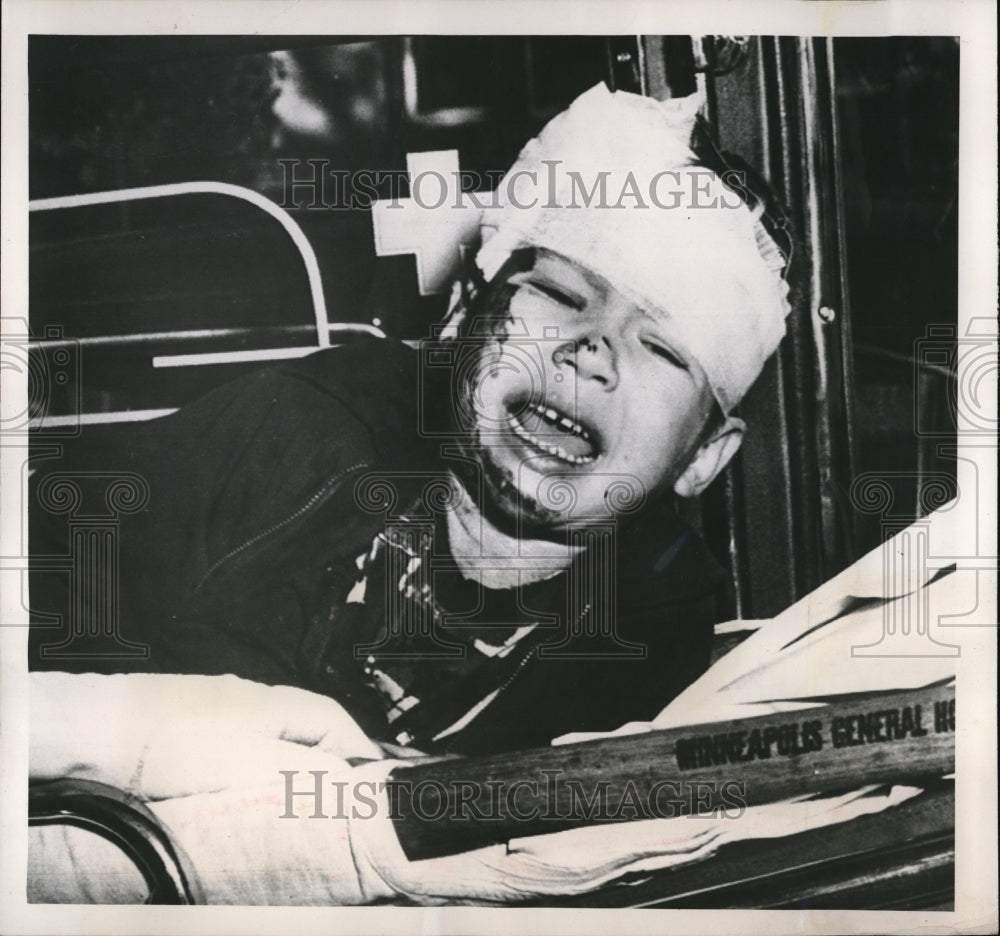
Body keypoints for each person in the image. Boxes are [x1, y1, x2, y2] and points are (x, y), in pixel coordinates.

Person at [29, 82, 791, 756]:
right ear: (461, 317)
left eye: (662, 349)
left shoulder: (659, 614)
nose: (593, 352)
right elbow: (48, 558)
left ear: (705, 457)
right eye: (561, 295)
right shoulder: (307, 428)